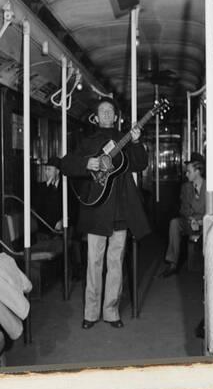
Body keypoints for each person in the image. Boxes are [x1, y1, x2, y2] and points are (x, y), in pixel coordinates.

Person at [61, 99, 150, 329]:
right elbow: (66, 164)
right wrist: (86, 163)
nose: (107, 114)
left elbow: (141, 164)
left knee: (115, 263)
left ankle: (111, 311)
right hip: (96, 210)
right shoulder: (87, 142)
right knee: (94, 262)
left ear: (116, 116)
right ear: (96, 117)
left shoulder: (126, 139)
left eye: (111, 111)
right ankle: (91, 313)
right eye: (103, 111)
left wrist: (138, 142)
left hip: (120, 210)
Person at [161, 153, 206, 277]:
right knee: (174, 223)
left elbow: (211, 210)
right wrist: (191, 219)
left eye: (189, 172)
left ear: (197, 171)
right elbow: (183, 208)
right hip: (189, 221)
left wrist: (201, 221)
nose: (186, 174)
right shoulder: (186, 187)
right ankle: (173, 264)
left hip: (204, 222)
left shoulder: (209, 187)